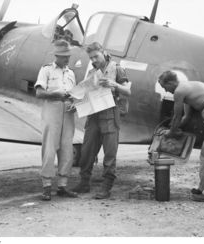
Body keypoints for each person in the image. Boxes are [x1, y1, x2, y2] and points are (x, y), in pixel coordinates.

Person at [158, 70, 204, 202]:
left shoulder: (179, 91)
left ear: (170, 82)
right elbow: (186, 117)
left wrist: (171, 133)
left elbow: (176, 116)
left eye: (165, 87)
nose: (166, 91)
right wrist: (175, 129)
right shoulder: (187, 89)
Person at [72, 42, 131, 199]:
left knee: (109, 153)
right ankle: (84, 182)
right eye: (91, 57)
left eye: (96, 56)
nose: (94, 60)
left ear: (104, 53)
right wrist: (77, 101)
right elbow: (87, 91)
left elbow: (128, 91)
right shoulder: (93, 71)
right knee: (86, 151)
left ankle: (106, 186)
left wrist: (114, 84)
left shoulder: (117, 68)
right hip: (93, 115)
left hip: (110, 115)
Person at [34, 40, 78, 201]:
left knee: (67, 149)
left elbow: (76, 94)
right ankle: (46, 186)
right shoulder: (46, 70)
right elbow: (39, 93)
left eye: (69, 56)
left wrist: (75, 103)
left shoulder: (71, 73)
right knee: (49, 149)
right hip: (51, 111)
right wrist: (56, 95)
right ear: (57, 56)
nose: (67, 59)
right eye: (64, 56)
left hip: (68, 113)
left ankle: (62, 186)